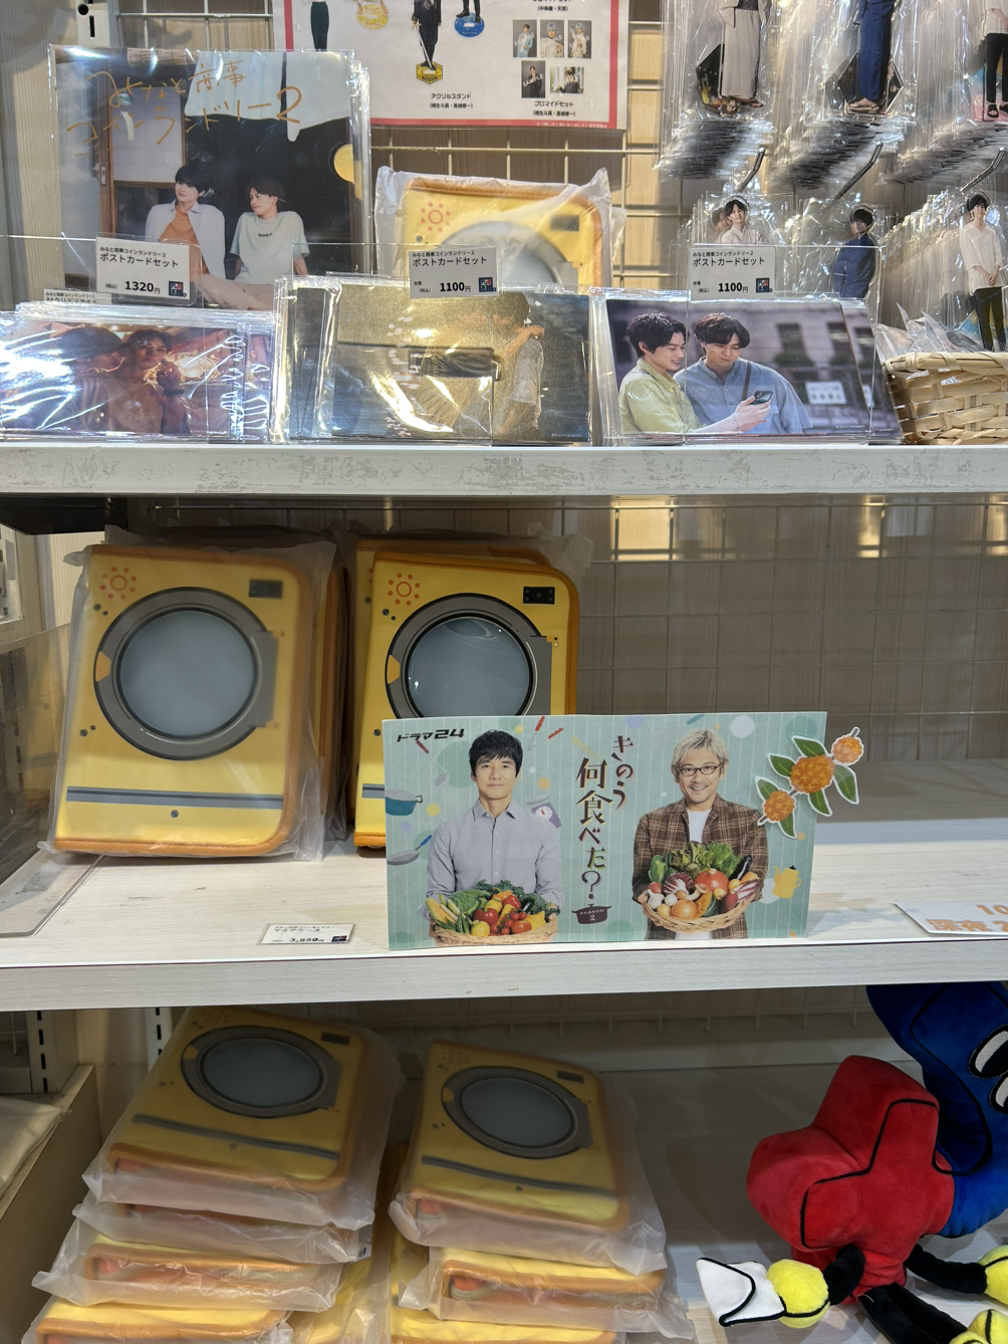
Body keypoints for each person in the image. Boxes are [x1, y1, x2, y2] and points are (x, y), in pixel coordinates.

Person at [632, 729, 767, 941]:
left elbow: (756, 878)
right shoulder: (651, 822)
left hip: (728, 939)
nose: (697, 778)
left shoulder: (748, 820)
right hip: (663, 939)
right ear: (675, 773)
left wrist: (739, 901)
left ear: (722, 769)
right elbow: (640, 879)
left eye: (707, 768)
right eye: (688, 769)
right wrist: (648, 899)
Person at [425, 729, 563, 903]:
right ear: (473, 774)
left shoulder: (543, 830)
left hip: (523, 921)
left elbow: (550, 891)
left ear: (518, 774)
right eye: (486, 766)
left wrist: (544, 913)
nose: (495, 775)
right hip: (464, 921)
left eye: (505, 766)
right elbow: (439, 894)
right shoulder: (447, 833)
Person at [617, 311, 770, 436]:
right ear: (644, 347)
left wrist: (738, 425)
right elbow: (673, 438)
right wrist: (735, 421)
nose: (680, 355)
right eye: (672, 349)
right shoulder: (640, 382)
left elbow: (695, 431)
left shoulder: (668, 382)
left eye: (682, 348)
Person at [675, 313, 813, 435]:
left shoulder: (769, 378)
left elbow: (797, 431)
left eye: (735, 348)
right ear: (702, 342)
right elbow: (680, 433)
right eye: (720, 346)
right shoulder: (683, 381)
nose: (728, 353)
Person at [199, 178, 309, 312]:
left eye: (258, 197)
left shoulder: (290, 219)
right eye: (251, 198)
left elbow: (297, 258)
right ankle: (253, 304)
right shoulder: (245, 219)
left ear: (274, 199)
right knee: (202, 281)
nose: (253, 202)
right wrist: (234, 286)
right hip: (243, 286)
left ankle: (246, 304)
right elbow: (240, 259)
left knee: (271, 301)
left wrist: (307, 292)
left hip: (274, 287)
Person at [75, 328, 189, 436]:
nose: (152, 353)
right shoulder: (92, 383)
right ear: (125, 350)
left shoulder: (159, 391)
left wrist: (173, 391)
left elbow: (178, 431)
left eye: (160, 350)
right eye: (144, 347)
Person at [144, 165, 226, 282]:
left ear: (201, 192)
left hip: (199, 281)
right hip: (163, 278)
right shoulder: (157, 212)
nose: (182, 189)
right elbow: (148, 250)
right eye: (180, 183)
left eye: (189, 186)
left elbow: (217, 255)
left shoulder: (211, 214)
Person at [961, 193, 1006, 351]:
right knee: (984, 319)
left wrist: (995, 273)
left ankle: (1003, 350)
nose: (981, 209)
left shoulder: (991, 232)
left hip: (996, 281)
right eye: (978, 206)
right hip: (980, 282)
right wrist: (986, 275)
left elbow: (998, 255)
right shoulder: (966, 231)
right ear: (972, 210)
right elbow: (970, 258)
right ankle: (989, 351)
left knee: (999, 317)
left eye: (983, 206)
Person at [718, 0, 770, 106]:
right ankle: (730, 94)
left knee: (751, 55)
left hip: (753, 14)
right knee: (733, 54)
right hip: (735, 13)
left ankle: (747, 94)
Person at [848, 0, 896, 113]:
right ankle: (871, 96)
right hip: (873, 9)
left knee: (873, 52)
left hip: (877, 9)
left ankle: (871, 97)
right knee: (870, 52)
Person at [831, 207, 878, 300]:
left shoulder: (868, 245)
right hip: (842, 288)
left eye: (862, 221)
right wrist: (843, 265)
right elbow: (837, 264)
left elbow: (858, 267)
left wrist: (845, 265)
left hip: (857, 288)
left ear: (868, 224)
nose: (858, 224)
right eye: (855, 221)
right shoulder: (849, 244)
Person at [984, 0, 1008, 118]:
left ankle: (1005, 102)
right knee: (992, 67)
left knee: (1007, 68)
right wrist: (1004, 19)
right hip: (994, 29)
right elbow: (991, 4)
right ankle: (991, 102)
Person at [415, 0, 443, 64]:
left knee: (432, 40)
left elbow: (439, 7)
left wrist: (439, 19)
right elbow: (417, 5)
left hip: (434, 20)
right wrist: (415, 18)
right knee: (424, 39)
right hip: (424, 19)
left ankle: (429, 61)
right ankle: (427, 61)